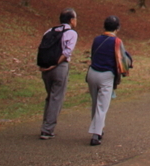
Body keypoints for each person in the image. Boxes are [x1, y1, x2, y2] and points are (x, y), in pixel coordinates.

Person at [86, 15, 129, 146]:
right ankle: (96, 134)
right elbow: (123, 60)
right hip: (106, 75)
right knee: (102, 106)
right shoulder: (117, 42)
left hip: (92, 73)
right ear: (117, 28)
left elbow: (93, 55)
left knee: (95, 104)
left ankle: (99, 129)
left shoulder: (97, 39)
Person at [39, 8, 78, 140]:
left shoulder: (49, 31)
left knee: (50, 97)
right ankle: (47, 129)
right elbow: (67, 52)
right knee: (56, 98)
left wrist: (44, 66)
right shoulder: (71, 33)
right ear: (71, 20)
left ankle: (45, 125)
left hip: (45, 69)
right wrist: (55, 63)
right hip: (59, 67)